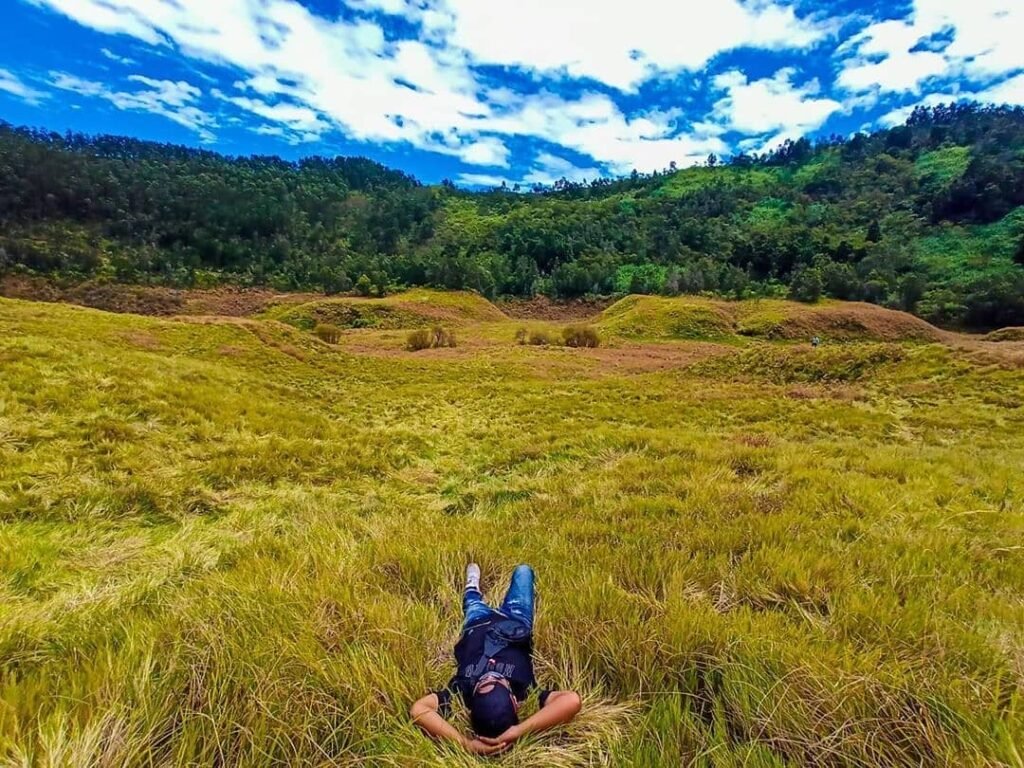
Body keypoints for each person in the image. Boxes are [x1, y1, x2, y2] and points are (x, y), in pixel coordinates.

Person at [410, 563, 582, 755]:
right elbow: (572, 701)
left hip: (477, 622)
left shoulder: (461, 690)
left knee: (472, 602)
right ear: (515, 701)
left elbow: (419, 710)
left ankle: (472, 587)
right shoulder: (524, 689)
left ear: (471, 705)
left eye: (482, 684)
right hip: (516, 620)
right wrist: (518, 731)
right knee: (523, 571)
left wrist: (465, 744)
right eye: (498, 681)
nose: (490, 675)